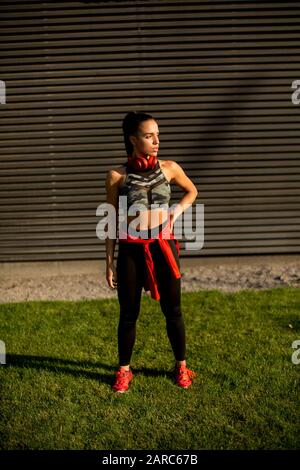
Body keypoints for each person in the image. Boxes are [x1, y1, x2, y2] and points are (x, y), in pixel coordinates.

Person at [105, 111, 198, 393]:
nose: (156, 141)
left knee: (174, 310)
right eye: (149, 136)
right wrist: (109, 261)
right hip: (131, 249)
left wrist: (176, 211)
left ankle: (180, 366)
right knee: (128, 313)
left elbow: (191, 191)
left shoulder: (170, 168)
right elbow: (110, 219)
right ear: (133, 139)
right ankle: (124, 370)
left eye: (157, 134)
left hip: (163, 246)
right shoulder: (117, 176)